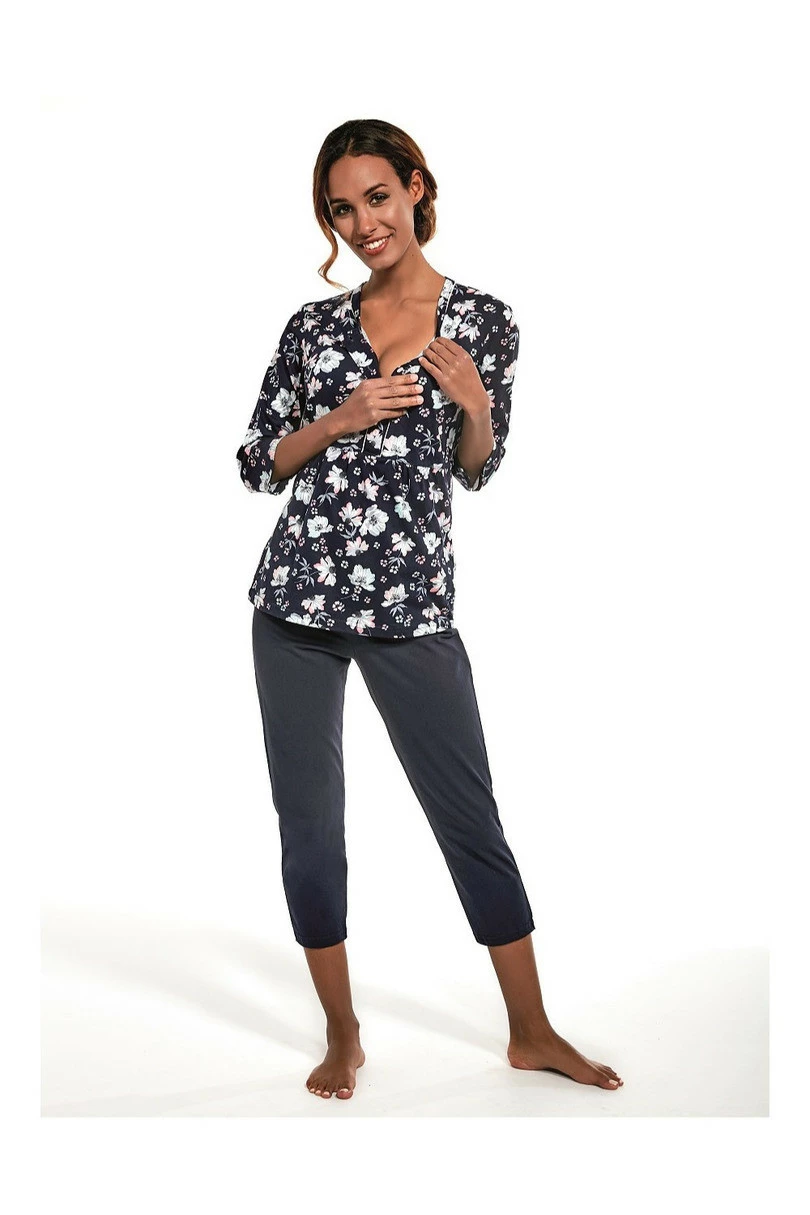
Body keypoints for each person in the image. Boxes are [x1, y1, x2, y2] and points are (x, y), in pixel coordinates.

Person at [236, 119, 623, 1100]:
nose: (362, 222)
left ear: (415, 187)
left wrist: (477, 404)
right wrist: (339, 417)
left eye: (377, 196)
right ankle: (342, 1033)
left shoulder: (483, 321)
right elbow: (256, 460)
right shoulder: (312, 328)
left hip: (411, 608)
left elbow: (477, 469)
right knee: (310, 827)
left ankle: (531, 1031)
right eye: (342, 208)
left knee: (469, 818)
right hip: (296, 603)